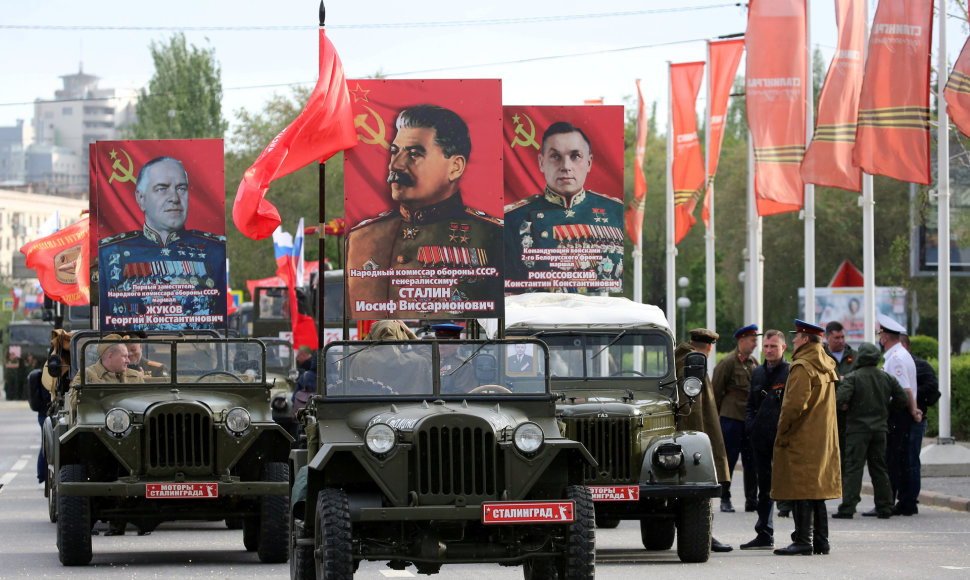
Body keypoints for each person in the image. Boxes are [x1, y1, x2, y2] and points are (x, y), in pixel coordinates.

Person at [345, 104, 504, 320]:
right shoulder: (361, 238)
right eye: (394, 152)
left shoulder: (491, 236)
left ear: (455, 167)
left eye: (414, 154)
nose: (395, 165)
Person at [99, 156, 227, 331]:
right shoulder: (110, 253)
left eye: (181, 188)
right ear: (141, 198)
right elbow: (107, 328)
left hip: (196, 354)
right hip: (134, 355)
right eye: (162, 189)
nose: (174, 198)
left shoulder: (215, 250)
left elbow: (220, 326)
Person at [503, 121, 624, 292]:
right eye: (555, 156)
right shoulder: (511, 219)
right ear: (541, 162)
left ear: (589, 163)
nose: (566, 167)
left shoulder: (616, 212)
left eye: (575, 156)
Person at [772, 319, 840, 556]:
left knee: (801, 488)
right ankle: (821, 541)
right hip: (823, 436)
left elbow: (792, 406)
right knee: (817, 489)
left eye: (797, 336)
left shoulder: (802, 366)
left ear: (807, 339)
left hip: (802, 435)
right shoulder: (826, 364)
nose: (793, 340)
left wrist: (782, 431)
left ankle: (803, 539)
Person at [832, 342, 908, 519]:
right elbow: (902, 399)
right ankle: (884, 505)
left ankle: (848, 507)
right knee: (879, 468)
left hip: (857, 430)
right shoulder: (886, 377)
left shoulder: (853, 377)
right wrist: (887, 408)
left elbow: (838, 400)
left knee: (853, 468)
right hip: (879, 429)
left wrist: (847, 407)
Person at [674, 328, 733, 553]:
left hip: (688, 433)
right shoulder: (692, 364)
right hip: (695, 435)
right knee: (702, 486)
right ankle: (705, 534)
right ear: (709, 347)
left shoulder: (681, 359)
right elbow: (695, 410)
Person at [741, 330, 789, 550]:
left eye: (774, 346)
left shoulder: (789, 372)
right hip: (760, 438)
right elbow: (751, 403)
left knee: (790, 486)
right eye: (766, 346)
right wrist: (751, 425)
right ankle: (764, 532)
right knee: (764, 486)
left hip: (783, 439)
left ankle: (801, 535)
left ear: (783, 348)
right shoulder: (758, 372)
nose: (769, 350)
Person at [878, 314, 922, 516]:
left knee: (893, 459)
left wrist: (913, 410)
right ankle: (903, 501)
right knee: (901, 459)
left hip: (897, 413)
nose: (880, 338)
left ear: (885, 337)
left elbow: (905, 390)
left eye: (880, 334)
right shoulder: (899, 355)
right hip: (901, 413)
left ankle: (895, 502)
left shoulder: (896, 359)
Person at [712, 323, 759, 513]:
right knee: (728, 461)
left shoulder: (753, 363)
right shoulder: (728, 362)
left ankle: (751, 499)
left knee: (751, 461)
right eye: (752, 340)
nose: (755, 344)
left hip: (749, 419)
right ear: (742, 340)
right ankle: (725, 497)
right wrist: (715, 419)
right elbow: (715, 391)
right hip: (731, 418)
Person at [901, 333, 939, 515]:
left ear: (906, 347)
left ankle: (910, 501)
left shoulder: (921, 366)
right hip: (898, 420)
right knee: (900, 460)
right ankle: (902, 499)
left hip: (916, 419)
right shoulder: (894, 363)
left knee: (911, 460)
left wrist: (911, 396)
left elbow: (933, 389)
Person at [347, 320, 431, 395]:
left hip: (366, 409)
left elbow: (348, 353)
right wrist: (409, 333)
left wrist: (371, 336)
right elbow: (428, 355)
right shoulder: (413, 361)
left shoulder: (359, 359)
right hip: (404, 408)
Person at [825, 321, 856, 467]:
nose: (841, 341)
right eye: (837, 338)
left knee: (848, 457)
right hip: (828, 413)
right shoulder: (822, 357)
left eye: (843, 337)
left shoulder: (855, 356)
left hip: (850, 414)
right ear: (827, 337)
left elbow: (858, 381)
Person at [432, 323, 478, 394]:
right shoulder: (429, 361)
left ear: (456, 344)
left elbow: (462, 395)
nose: (441, 346)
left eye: (444, 342)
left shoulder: (463, 366)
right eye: (438, 342)